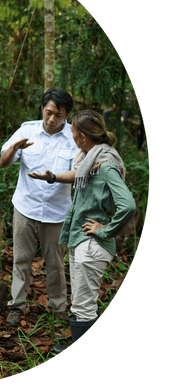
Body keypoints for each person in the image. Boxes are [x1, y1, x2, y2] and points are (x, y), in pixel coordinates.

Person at [51, 110, 136, 349]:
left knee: (85, 304)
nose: (71, 136)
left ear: (84, 137)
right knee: (80, 303)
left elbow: (128, 204)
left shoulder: (105, 164)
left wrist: (105, 230)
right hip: (80, 239)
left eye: (74, 133)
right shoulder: (88, 161)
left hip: (92, 243)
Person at [0, 89, 79, 326]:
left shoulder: (74, 137)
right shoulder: (27, 130)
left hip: (57, 212)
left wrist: (54, 177)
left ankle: (58, 308)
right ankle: (16, 306)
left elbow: (79, 172)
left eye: (59, 115)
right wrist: (15, 148)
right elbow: (3, 162)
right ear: (42, 109)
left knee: (55, 262)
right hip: (26, 206)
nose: (53, 119)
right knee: (21, 259)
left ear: (67, 115)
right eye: (49, 112)